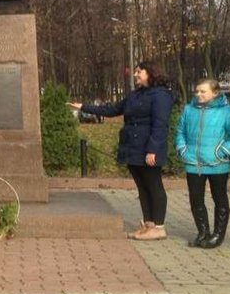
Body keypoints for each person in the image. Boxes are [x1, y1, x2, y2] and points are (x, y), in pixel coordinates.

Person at [70, 62, 174, 241]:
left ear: (151, 73)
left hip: (148, 148)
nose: (135, 75)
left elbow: (160, 125)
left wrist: (153, 150)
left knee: (154, 185)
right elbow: (112, 110)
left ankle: (159, 227)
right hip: (133, 147)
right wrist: (83, 107)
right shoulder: (135, 95)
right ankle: (148, 224)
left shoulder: (161, 95)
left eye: (139, 72)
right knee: (142, 187)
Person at [175, 79, 230, 249]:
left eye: (203, 91)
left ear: (215, 93)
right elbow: (180, 131)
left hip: (217, 163)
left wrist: (222, 151)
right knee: (196, 199)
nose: (198, 94)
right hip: (193, 162)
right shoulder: (188, 110)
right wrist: (182, 149)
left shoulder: (228, 111)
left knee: (220, 198)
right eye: (197, 91)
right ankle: (203, 232)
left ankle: (218, 235)